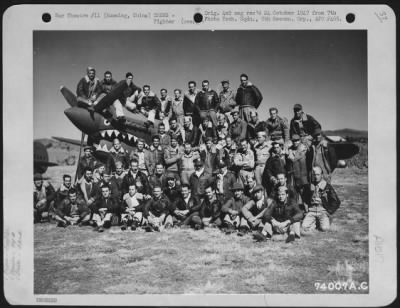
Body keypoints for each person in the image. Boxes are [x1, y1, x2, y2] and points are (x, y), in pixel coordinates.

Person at [301, 166, 341, 232]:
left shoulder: (327, 187)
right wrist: (306, 206)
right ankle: (315, 222)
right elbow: (303, 199)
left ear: (321, 175)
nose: (316, 177)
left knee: (325, 229)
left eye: (318, 175)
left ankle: (326, 220)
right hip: (311, 211)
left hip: (322, 211)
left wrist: (329, 211)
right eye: (314, 175)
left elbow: (337, 201)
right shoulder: (308, 186)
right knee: (303, 228)